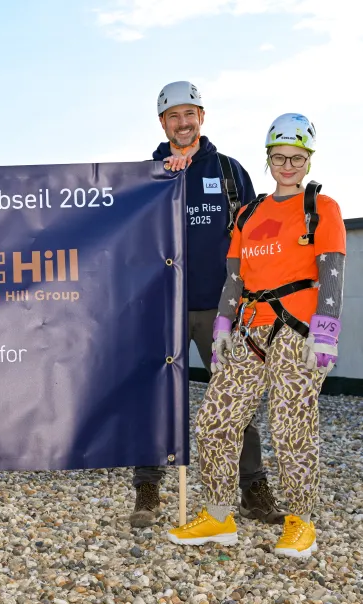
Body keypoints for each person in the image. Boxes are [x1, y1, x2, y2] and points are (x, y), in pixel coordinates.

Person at [167, 113, 346, 558]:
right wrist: (224, 326)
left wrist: (325, 333)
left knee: (292, 429)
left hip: (298, 332)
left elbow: (333, 275)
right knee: (215, 422)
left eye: (297, 157)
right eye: (279, 157)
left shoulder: (321, 208)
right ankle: (220, 515)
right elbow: (234, 278)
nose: (288, 165)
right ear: (267, 159)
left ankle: (301, 522)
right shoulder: (249, 212)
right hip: (251, 330)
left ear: (308, 160)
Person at [129, 81, 286, 528]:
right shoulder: (146, 174)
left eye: (190, 113)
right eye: (173, 115)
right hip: (163, 308)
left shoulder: (231, 171)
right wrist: (165, 175)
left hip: (223, 311)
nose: (183, 122)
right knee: (155, 399)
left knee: (235, 401)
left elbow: (256, 238)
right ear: (162, 122)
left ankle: (253, 488)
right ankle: (148, 488)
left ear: (203, 116)